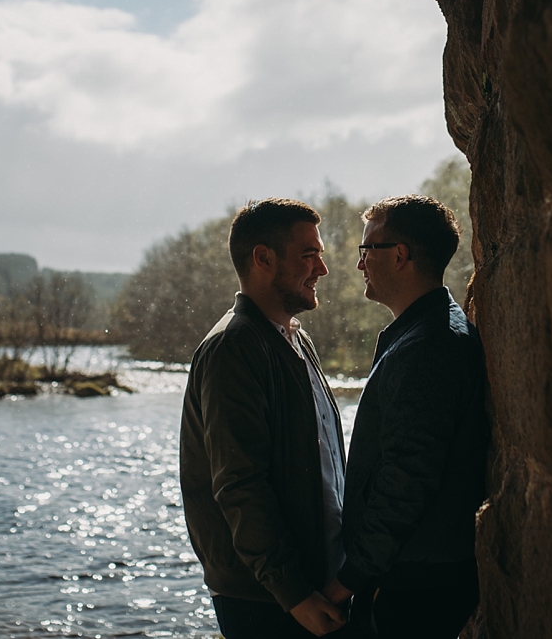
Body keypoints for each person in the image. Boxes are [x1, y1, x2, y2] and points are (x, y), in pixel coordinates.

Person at [180, 198, 350, 638]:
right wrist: (293, 593)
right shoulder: (232, 349)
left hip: (312, 585)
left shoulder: (296, 339)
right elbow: (240, 485)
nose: (322, 270)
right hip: (266, 600)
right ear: (263, 258)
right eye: (309, 255)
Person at [324, 194, 489, 639]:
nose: (360, 264)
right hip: (417, 575)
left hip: (414, 584)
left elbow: (406, 479)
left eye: (366, 250)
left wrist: (351, 577)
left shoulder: (428, 350)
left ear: (399, 256)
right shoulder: (425, 333)